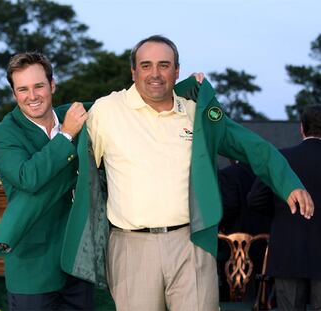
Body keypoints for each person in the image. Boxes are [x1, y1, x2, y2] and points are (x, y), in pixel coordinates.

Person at [85, 35, 314, 311]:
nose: (155, 73)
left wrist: (288, 183)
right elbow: (72, 156)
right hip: (131, 246)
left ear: (177, 70)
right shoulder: (106, 111)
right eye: (145, 65)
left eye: (164, 65)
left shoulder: (198, 112)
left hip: (190, 242)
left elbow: (251, 146)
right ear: (133, 71)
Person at [0, 52, 93, 310]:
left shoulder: (78, 114)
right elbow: (28, 177)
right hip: (32, 267)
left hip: (79, 261)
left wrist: (185, 90)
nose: (32, 96)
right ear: (14, 94)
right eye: (22, 89)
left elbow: (126, 106)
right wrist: (66, 134)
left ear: (52, 85)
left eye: (38, 86)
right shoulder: (2, 134)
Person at [248, 104, 321, 311]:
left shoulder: (281, 159)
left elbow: (255, 200)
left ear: (302, 128)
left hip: (287, 250)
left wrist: (283, 214)